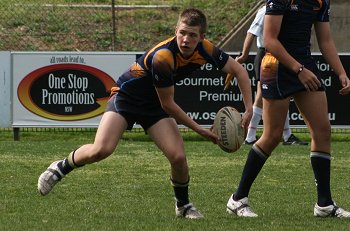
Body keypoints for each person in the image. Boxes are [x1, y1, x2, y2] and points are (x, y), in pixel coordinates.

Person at [37, 8, 253, 219]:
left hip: (153, 104)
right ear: (176, 30)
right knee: (101, 150)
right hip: (127, 97)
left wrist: (249, 109)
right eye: (182, 33)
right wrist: (199, 129)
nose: (186, 39)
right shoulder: (163, 57)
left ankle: (183, 206)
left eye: (192, 35)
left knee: (178, 157)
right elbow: (168, 104)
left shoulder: (206, 49)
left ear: (202, 36)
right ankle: (60, 167)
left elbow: (239, 71)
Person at [226, 0, 350, 218]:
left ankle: (324, 204)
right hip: (275, 66)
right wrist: (298, 69)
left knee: (322, 132)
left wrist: (341, 72)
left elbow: (326, 40)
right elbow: (270, 40)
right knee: (272, 136)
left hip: (304, 64)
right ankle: (237, 199)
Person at [235, 4, 307, 145]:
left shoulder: (287, 9)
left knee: (283, 94)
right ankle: (250, 136)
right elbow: (251, 32)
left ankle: (287, 136)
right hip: (266, 55)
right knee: (261, 96)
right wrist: (244, 55)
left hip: (279, 55)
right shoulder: (266, 10)